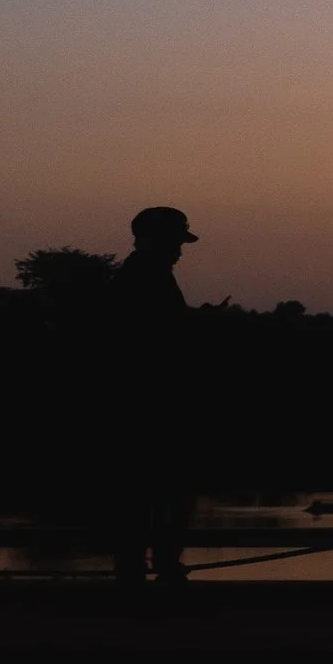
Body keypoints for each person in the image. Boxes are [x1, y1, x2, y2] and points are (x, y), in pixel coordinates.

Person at [103, 206, 197, 583]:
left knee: (143, 494)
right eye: (175, 242)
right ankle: (155, 568)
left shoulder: (139, 276)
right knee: (154, 492)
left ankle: (142, 567)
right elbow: (156, 341)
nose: (179, 251)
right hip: (148, 409)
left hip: (142, 406)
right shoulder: (146, 278)